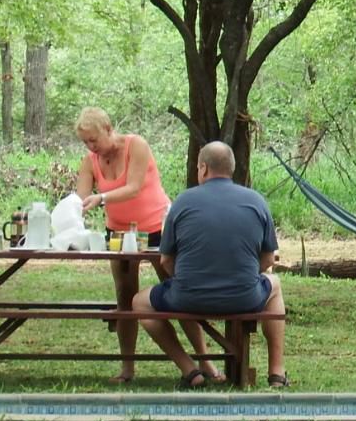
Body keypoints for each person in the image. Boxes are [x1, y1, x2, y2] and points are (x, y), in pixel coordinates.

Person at [73, 107, 217, 384]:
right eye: (86, 142)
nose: (92, 147)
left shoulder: (135, 146)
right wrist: (70, 213)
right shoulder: (89, 161)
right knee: (125, 298)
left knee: (178, 292)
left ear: (108, 128)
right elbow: (80, 199)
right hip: (119, 233)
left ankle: (205, 361)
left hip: (158, 229)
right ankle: (127, 368)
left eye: (94, 140)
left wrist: (100, 198)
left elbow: (134, 187)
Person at [131, 141, 287, 390]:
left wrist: (187, 281)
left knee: (139, 302)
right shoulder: (256, 201)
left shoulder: (182, 202)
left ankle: (190, 370)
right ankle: (277, 372)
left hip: (188, 296)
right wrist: (241, 275)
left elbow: (166, 260)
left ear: (203, 168)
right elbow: (268, 259)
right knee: (275, 285)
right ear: (231, 169)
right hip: (244, 297)